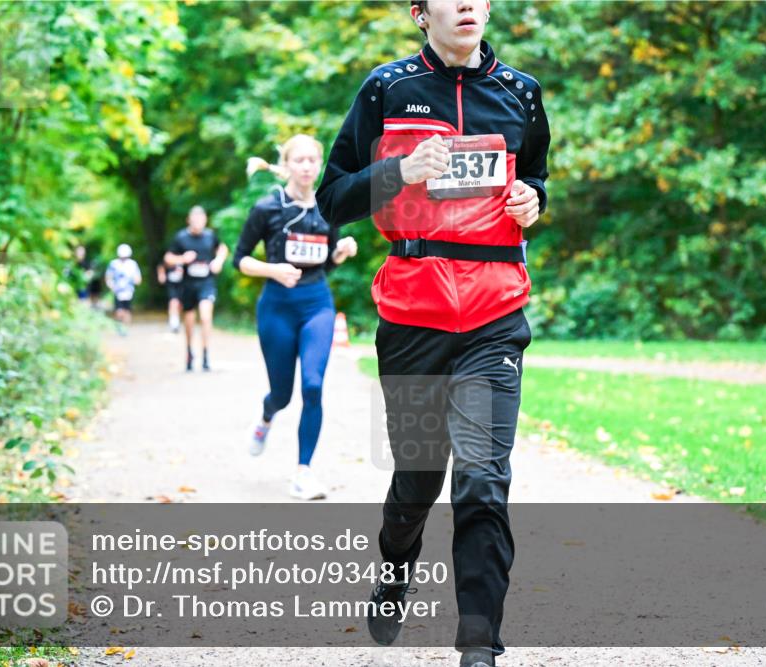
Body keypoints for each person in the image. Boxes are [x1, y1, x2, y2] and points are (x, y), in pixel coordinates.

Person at [315, 1, 550, 665]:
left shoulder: (521, 94)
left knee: (482, 477)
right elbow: (333, 200)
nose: (469, 5)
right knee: (418, 479)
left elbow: (532, 175)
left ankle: (479, 642)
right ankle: (395, 564)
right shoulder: (387, 90)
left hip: (494, 314)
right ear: (423, 13)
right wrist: (398, 172)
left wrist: (534, 198)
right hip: (413, 315)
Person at [233, 134, 358, 500]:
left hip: (317, 302)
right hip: (277, 306)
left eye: (311, 160)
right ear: (286, 165)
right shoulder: (267, 208)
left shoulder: (327, 207)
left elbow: (326, 262)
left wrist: (342, 252)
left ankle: (303, 472)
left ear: (319, 165)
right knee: (283, 394)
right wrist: (273, 271)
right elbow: (239, 259)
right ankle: (266, 416)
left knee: (314, 386)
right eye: (298, 160)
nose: (306, 166)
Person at [164, 206, 229, 371]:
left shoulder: (210, 236)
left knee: (206, 317)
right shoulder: (181, 237)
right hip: (188, 284)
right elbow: (168, 258)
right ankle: (189, 352)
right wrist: (182, 258)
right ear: (189, 220)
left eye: (201, 219)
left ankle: (206, 354)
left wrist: (218, 261)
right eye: (195, 219)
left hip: (206, 282)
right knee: (190, 322)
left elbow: (222, 248)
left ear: (205, 220)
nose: (198, 222)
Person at [105, 243, 143, 334]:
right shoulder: (114, 264)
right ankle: (120, 325)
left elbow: (138, 278)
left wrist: (136, 281)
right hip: (118, 291)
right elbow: (108, 276)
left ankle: (126, 328)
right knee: (119, 310)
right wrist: (111, 285)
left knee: (127, 310)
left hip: (129, 291)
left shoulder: (132, 264)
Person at [156, 256, 184, 333]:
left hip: (182, 284)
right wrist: (161, 274)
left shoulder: (185, 255)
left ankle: (176, 319)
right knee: (173, 302)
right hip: (172, 284)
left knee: (180, 305)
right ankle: (174, 323)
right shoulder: (170, 257)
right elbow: (161, 265)